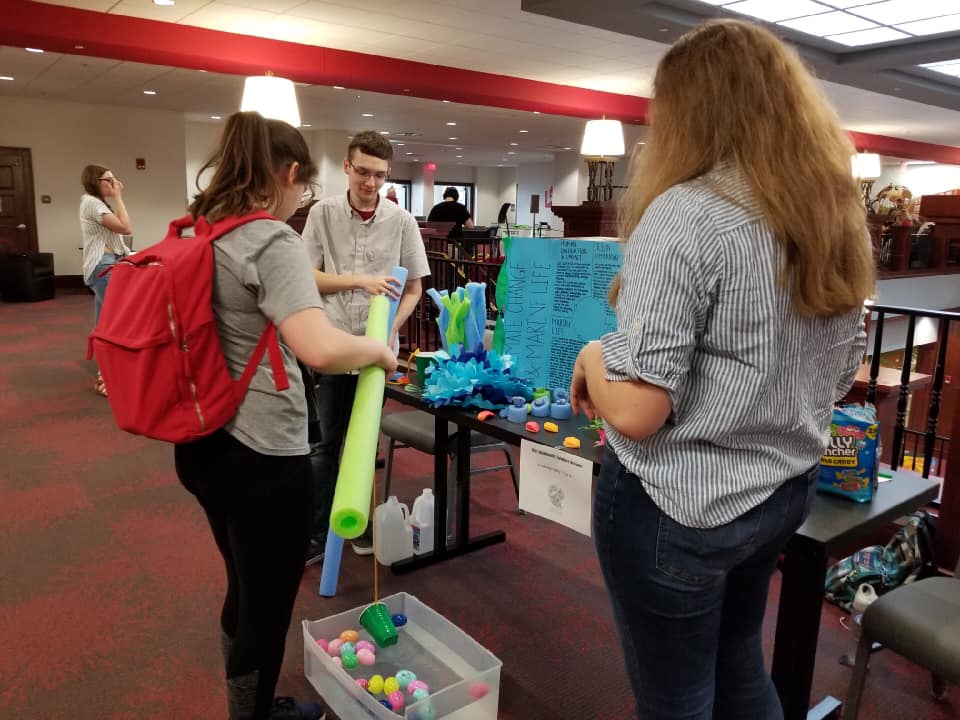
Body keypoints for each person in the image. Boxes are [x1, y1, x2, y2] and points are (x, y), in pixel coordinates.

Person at [568, 19, 875, 720]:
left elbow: (641, 412)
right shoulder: (833, 220)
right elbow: (840, 374)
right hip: (781, 495)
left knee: (677, 697)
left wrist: (591, 356)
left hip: (680, 507)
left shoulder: (687, 215)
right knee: (738, 661)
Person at [173, 112, 397, 720]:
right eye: (305, 186)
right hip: (263, 454)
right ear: (291, 173)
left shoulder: (202, 228)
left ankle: (247, 705)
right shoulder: (271, 240)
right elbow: (320, 347)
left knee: (242, 587)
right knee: (267, 608)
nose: (303, 199)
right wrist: (378, 350)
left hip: (200, 442)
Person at [301, 130, 430, 562]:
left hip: (377, 352)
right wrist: (359, 280)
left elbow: (413, 288)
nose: (370, 183)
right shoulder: (323, 213)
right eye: (362, 172)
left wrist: (391, 328)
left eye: (379, 175)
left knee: (363, 446)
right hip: (334, 342)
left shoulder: (402, 221)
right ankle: (318, 532)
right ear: (346, 166)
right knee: (326, 444)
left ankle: (357, 523)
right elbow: (308, 277)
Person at [79, 164, 132, 397]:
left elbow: (119, 238)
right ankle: (110, 377)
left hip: (108, 263)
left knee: (104, 325)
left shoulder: (98, 204)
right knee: (118, 322)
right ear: (95, 180)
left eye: (114, 179)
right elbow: (125, 227)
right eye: (108, 179)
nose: (114, 183)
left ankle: (105, 375)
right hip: (102, 266)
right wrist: (120, 197)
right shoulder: (91, 202)